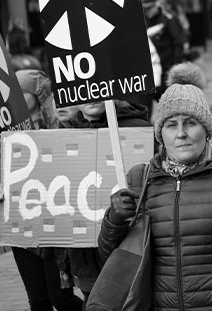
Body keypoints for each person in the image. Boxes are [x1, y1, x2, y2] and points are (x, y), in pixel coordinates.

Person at [97, 63, 212, 310]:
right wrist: (114, 221)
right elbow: (111, 257)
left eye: (190, 122)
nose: (181, 133)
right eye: (171, 125)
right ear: (161, 134)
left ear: (206, 129)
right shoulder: (140, 180)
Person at [0, 69, 83, 311]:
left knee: (61, 298)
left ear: (37, 92)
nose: (13, 97)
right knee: (37, 301)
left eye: (20, 91)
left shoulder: (59, 124)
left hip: (54, 225)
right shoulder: (6, 133)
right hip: (21, 226)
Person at [60, 99, 150, 307]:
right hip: (87, 263)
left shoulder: (139, 130)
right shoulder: (65, 135)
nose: (91, 96)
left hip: (129, 253)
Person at [147, 0, 189, 100]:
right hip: (155, 63)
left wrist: (176, 61)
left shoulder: (167, 19)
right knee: (157, 92)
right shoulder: (146, 20)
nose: (147, 12)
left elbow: (177, 40)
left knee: (168, 92)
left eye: (149, 9)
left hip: (168, 61)